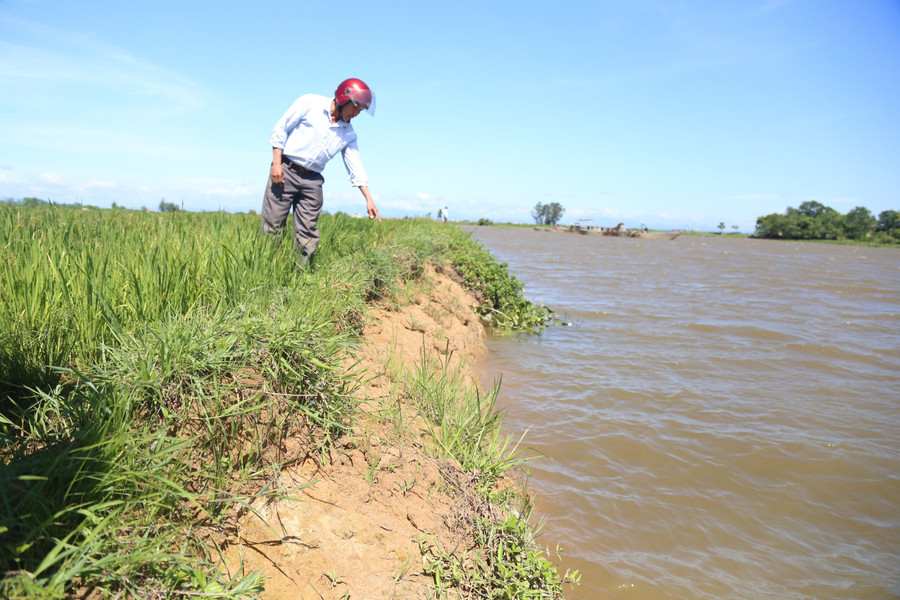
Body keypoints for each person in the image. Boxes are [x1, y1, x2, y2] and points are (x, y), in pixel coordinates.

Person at [260, 78, 380, 263]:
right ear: (343, 98)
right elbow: (281, 128)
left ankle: (301, 276)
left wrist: (368, 199)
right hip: (286, 171)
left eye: (360, 110)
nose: (356, 113)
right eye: (355, 107)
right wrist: (276, 163)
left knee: (307, 232)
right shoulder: (310, 103)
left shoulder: (348, 133)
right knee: (273, 227)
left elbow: (355, 165)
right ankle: (266, 271)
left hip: (313, 181)